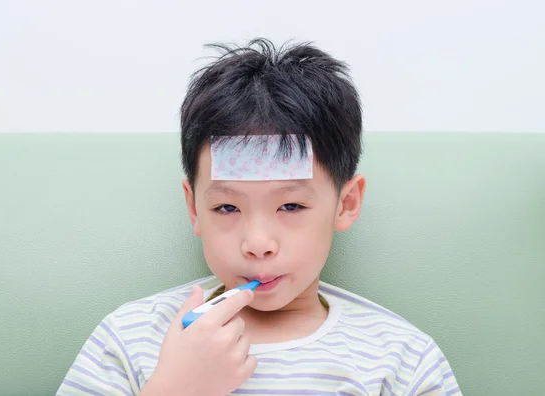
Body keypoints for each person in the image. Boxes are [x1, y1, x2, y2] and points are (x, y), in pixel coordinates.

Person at [57, 38, 461, 396]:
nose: (257, 243)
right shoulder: (130, 339)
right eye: (227, 207)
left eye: (291, 206)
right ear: (194, 208)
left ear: (346, 203)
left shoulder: (401, 360)